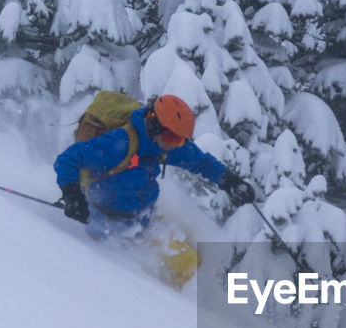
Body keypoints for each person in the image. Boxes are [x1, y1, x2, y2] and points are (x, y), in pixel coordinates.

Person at [53, 94, 257, 237]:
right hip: (99, 221)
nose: (174, 145)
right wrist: (72, 195)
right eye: (171, 138)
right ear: (153, 125)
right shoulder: (120, 143)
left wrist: (229, 181)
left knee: (188, 267)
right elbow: (68, 159)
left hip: (142, 220)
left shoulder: (166, 145)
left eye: (180, 141)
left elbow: (201, 162)